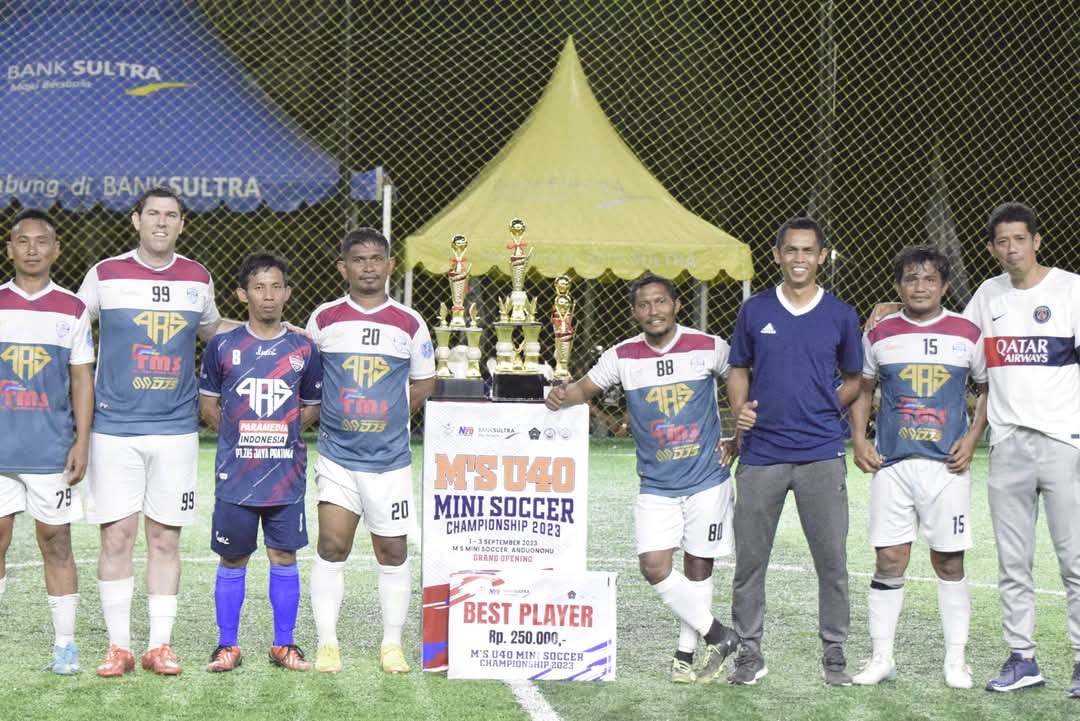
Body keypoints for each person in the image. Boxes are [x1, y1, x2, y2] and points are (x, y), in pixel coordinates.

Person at [77, 187, 240, 677]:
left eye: (171, 215)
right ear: (136, 220)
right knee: (117, 536)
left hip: (175, 429)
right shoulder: (105, 275)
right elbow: (71, 327)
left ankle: (159, 645)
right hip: (114, 429)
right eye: (153, 214)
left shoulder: (197, 277)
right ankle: (118, 647)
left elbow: (213, 329)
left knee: (165, 538)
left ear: (182, 224)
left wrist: (272, 329)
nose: (162, 222)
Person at [545, 273, 739, 684]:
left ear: (676, 305)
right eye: (645, 304)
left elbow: (740, 377)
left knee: (698, 565)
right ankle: (720, 635)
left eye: (661, 302)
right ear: (635, 312)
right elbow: (584, 389)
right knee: (654, 566)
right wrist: (561, 393)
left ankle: (684, 656)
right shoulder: (622, 356)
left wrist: (738, 433)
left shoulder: (709, 346)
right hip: (656, 485)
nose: (654, 311)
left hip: (707, 479)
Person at [726, 216, 863, 686]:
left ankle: (834, 652)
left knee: (832, 561)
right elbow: (738, 368)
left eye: (808, 250)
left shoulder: (841, 314)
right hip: (761, 453)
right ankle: (749, 652)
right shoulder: (755, 310)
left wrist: (825, 406)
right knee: (750, 562)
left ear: (822, 256)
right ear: (777, 255)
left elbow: (855, 380)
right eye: (791, 250)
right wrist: (740, 410)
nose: (799, 258)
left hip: (820, 453)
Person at [848, 245, 987, 689]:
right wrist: (859, 438)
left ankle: (956, 662)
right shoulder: (879, 334)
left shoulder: (967, 332)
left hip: (947, 467)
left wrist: (972, 438)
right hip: (892, 464)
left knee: (948, 560)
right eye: (911, 278)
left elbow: (987, 389)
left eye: (930, 279)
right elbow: (863, 389)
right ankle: (881, 658)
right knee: (889, 558)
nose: (920, 286)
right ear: (898, 285)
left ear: (944, 285)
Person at [306, 228, 435, 674]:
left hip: (389, 462)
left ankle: (391, 644)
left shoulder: (409, 323)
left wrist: (391, 413)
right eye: (358, 260)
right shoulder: (324, 319)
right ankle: (327, 643)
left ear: (390, 266)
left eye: (376, 259)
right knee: (331, 545)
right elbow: (311, 380)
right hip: (338, 457)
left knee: (393, 552)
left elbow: (424, 381)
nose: (368, 267)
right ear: (343, 268)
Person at [966, 203, 1080, 695]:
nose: (1011, 249)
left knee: (1075, 560)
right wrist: (898, 311)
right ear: (992, 248)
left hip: (1064, 444)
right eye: (1002, 241)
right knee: (1013, 564)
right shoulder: (987, 295)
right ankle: (1022, 659)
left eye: (1019, 239)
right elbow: (958, 345)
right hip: (1008, 445)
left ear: (1037, 240)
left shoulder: (1071, 290)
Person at [198, 252, 322, 673]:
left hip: (286, 475)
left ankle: (284, 644)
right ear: (242, 294)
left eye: (276, 287)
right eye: (258, 287)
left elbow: (311, 407)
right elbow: (209, 406)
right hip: (237, 475)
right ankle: (226, 645)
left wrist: (280, 431)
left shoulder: (304, 348)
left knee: (284, 556)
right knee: (232, 559)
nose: (268, 296)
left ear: (287, 293)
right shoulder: (222, 346)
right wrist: (240, 436)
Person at [0, 210, 94, 674]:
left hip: (51, 449)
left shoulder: (71, 308)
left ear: (56, 250)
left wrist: (82, 441)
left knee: (55, 542)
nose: (32, 249)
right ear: (9, 249)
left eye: (42, 241)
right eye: (23, 241)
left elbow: (81, 380)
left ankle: (65, 645)